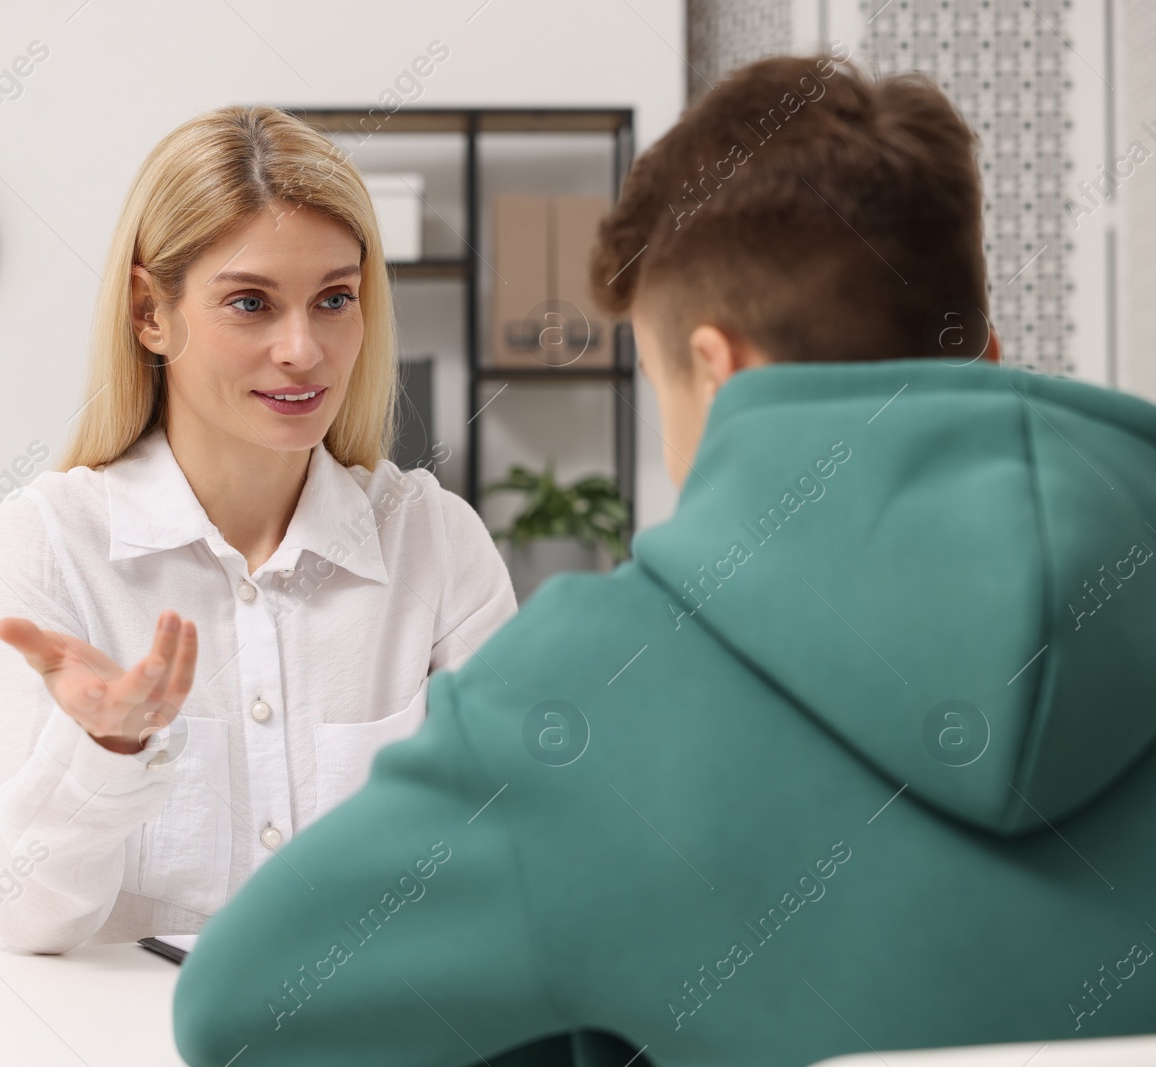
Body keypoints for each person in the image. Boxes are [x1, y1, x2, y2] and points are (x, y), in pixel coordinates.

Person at [172, 54, 1156, 1066]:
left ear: (716, 370)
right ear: (983, 350)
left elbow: (245, 1013)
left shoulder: (588, 692)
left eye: (656, 382)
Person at [0, 106, 517, 953]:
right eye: (252, 303)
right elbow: (24, 922)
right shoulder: (48, 542)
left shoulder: (435, 541)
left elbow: (514, 851)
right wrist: (107, 749)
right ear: (152, 313)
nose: (304, 349)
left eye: (335, 299)